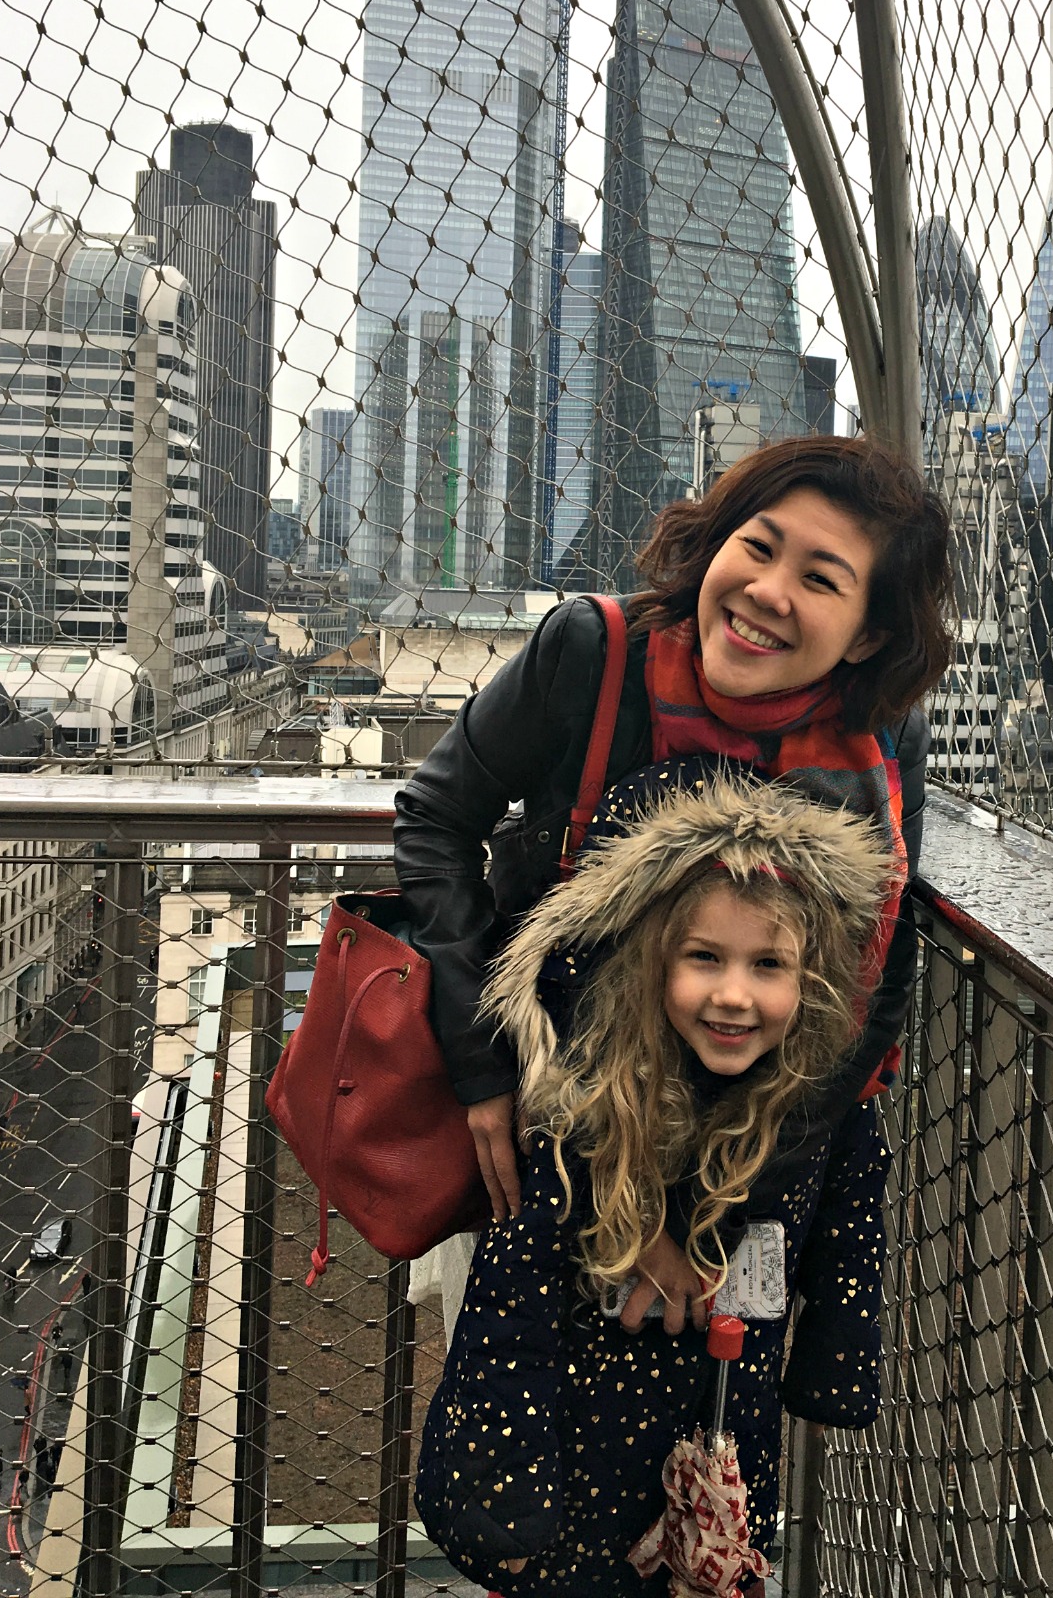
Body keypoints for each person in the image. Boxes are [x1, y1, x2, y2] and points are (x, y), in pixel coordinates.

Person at [395, 434, 951, 1320]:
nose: (768, 592)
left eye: (820, 579)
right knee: (521, 1417)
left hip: (746, 1166)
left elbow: (871, 987)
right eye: (759, 547)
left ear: (868, 636)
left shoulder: (881, 740)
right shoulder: (594, 655)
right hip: (553, 1117)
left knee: (708, 1441)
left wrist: (717, 1205)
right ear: (718, 542)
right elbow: (435, 818)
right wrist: (485, 1069)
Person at [415, 774, 894, 1597]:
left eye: (768, 964)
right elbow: (510, 1307)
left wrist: (835, 1367)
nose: (734, 995)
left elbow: (852, 1217)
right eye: (704, 957)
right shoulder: (589, 1110)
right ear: (651, 963)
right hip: (577, 1485)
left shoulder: (818, 1106)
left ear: (811, 979)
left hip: (725, 1456)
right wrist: (507, 1512)